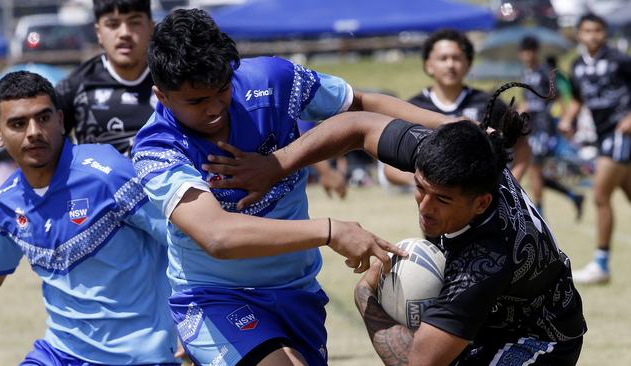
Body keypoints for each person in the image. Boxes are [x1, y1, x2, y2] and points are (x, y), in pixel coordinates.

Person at [131, 8, 456, 365]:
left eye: (222, 90)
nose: (214, 109)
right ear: (162, 96)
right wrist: (330, 231)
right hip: (214, 297)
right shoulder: (158, 147)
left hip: (296, 289)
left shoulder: (273, 80)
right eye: (196, 101)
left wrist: (454, 127)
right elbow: (217, 236)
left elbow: (360, 105)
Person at [204, 82, 587, 366]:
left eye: (442, 200)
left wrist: (367, 299)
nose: (425, 206)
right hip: (488, 316)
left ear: (480, 202)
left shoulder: (484, 259)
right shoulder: (452, 160)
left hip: (539, 337)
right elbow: (357, 126)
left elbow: (419, 363)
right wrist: (276, 165)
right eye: (420, 189)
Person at [0, 71, 180, 364]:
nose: (34, 131)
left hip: (139, 356)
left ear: (60, 120)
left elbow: (185, 242)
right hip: (60, 353)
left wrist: (193, 326)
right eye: (18, 124)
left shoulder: (108, 174)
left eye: (44, 118)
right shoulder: (4, 205)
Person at [383, 29, 530, 187]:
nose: (450, 64)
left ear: (468, 63)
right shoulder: (413, 108)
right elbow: (390, 168)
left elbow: (522, 146)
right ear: (428, 65)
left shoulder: (489, 104)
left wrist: (509, 186)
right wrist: (428, 184)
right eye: (443, 58)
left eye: (456, 58)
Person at [559, 13, 631, 284]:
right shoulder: (576, 66)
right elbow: (578, 98)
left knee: (600, 194)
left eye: (598, 30)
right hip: (603, 136)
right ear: (578, 34)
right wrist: (568, 118)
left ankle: (601, 264)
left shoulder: (619, 60)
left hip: (621, 133)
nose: (593, 35)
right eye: (587, 30)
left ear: (605, 33)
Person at [55, 0, 155, 155]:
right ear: (98, 32)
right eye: (113, 24)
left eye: (134, 22)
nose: (124, 33)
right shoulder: (75, 86)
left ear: (151, 27)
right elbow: (49, 147)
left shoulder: (173, 80)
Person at [518, 36, 584, 219]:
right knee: (535, 173)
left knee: (534, 170)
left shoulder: (546, 72)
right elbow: (527, 100)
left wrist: (566, 120)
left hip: (544, 127)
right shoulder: (526, 74)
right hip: (530, 128)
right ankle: (573, 196)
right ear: (520, 54)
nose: (528, 55)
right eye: (525, 52)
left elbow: (561, 97)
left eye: (531, 51)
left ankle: (539, 214)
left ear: (536, 52)